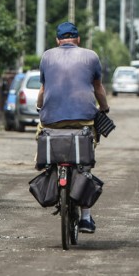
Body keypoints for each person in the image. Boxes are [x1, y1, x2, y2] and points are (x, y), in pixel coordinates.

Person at [36, 21, 110, 234]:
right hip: (83, 120)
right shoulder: (91, 56)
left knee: (45, 145)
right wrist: (104, 108)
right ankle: (86, 218)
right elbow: (98, 88)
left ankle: (53, 175)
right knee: (84, 165)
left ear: (58, 40)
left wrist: (40, 105)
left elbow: (42, 90)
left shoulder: (47, 56)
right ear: (78, 39)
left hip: (51, 121)